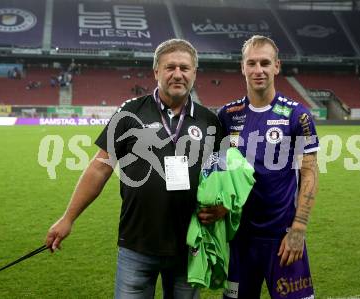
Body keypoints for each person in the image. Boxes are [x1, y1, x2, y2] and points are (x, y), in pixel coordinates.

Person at [45, 39, 225, 299]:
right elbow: (99, 168)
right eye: (170, 67)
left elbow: (226, 177)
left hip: (190, 246)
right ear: (156, 72)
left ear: (194, 73)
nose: (177, 74)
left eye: (185, 68)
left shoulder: (210, 120)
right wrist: (68, 218)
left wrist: (225, 208)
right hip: (137, 246)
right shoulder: (130, 112)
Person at [217, 35, 319, 299]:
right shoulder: (227, 115)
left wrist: (299, 229)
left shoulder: (299, 115)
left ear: (277, 66)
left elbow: (310, 172)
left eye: (265, 63)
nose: (258, 70)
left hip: (283, 237)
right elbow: (216, 171)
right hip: (241, 239)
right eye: (252, 63)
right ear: (242, 67)